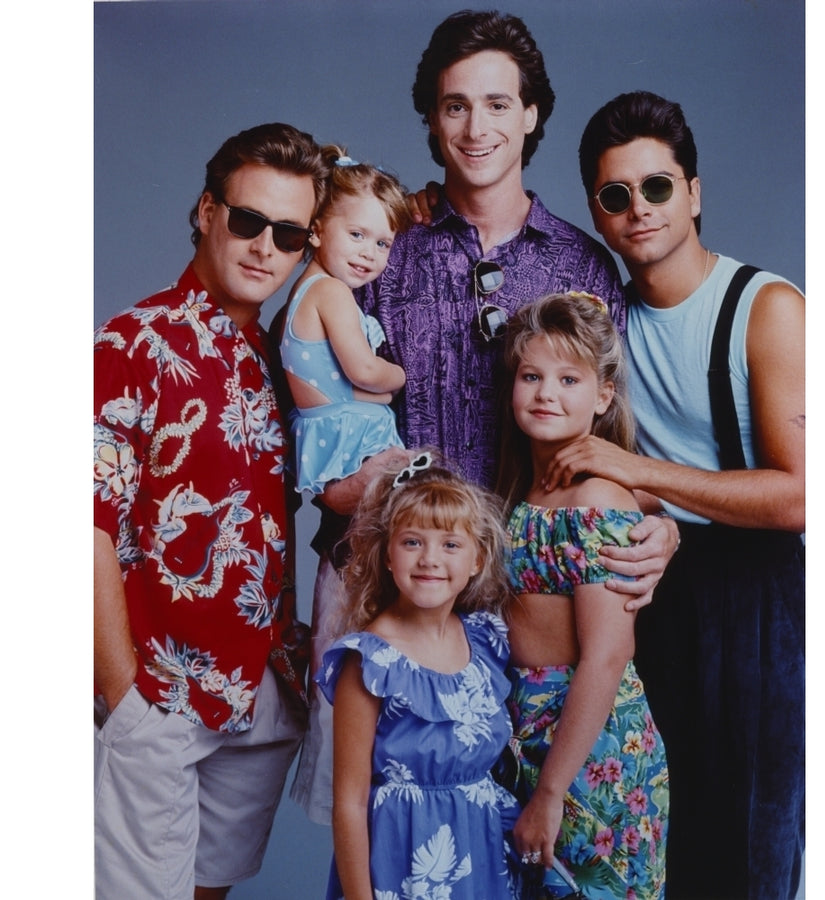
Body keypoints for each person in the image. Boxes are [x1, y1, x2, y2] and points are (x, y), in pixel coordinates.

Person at [293, 7, 680, 828]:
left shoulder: (580, 264)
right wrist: (336, 487)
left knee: (518, 850)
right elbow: (309, 395)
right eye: (456, 104)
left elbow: (614, 443)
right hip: (403, 590)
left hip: (537, 611)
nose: (477, 127)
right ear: (432, 119)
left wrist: (658, 520)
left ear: (533, 114)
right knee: (395, 837)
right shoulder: (385, 247)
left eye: (499, 103)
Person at [552, 90, 804, 900]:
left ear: (694, 192)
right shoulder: (604, 322)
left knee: (749, 851)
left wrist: (641, 474)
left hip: (754, 598)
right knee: (647, 850)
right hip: (646, 590)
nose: (640, 211)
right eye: (616, 196)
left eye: (658, 187)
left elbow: (801, 496)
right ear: (597, 211)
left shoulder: (765, 309)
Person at [93, 123, 329, 900]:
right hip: (157, 690)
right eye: (249, 221)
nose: (266, 247)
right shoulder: (131, 342)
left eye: (290, 234)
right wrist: (122, 694)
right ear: (206, 211)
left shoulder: (284, 360)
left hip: (259, 689)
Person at [496, 292, 668, 900]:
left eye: (569, 378)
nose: (546, 393)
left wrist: (550, 794)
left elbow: (607, 654)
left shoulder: (596, 498)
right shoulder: (533, 488)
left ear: (602, 395)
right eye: (531, 376)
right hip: (536, 736)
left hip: (590, 752)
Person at [318, 455, 522, 900]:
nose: (430, 559)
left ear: (476, 560)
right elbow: (349, 804)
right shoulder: (369, 661)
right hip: (401, 863)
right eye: (412, 542)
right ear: (388, 555)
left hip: (480, 854)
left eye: (451, 545)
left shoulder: (486, 641)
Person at [278, 146, 413, 495]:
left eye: (383, 243)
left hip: (331, 426)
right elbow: (365, 372)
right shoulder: (331, 292)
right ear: (318, 231)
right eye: (357, 235)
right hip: (352, 436)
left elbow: (330, 386)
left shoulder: (303, 291)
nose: (369, 252)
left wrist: (375, 397)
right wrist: (399, 376)